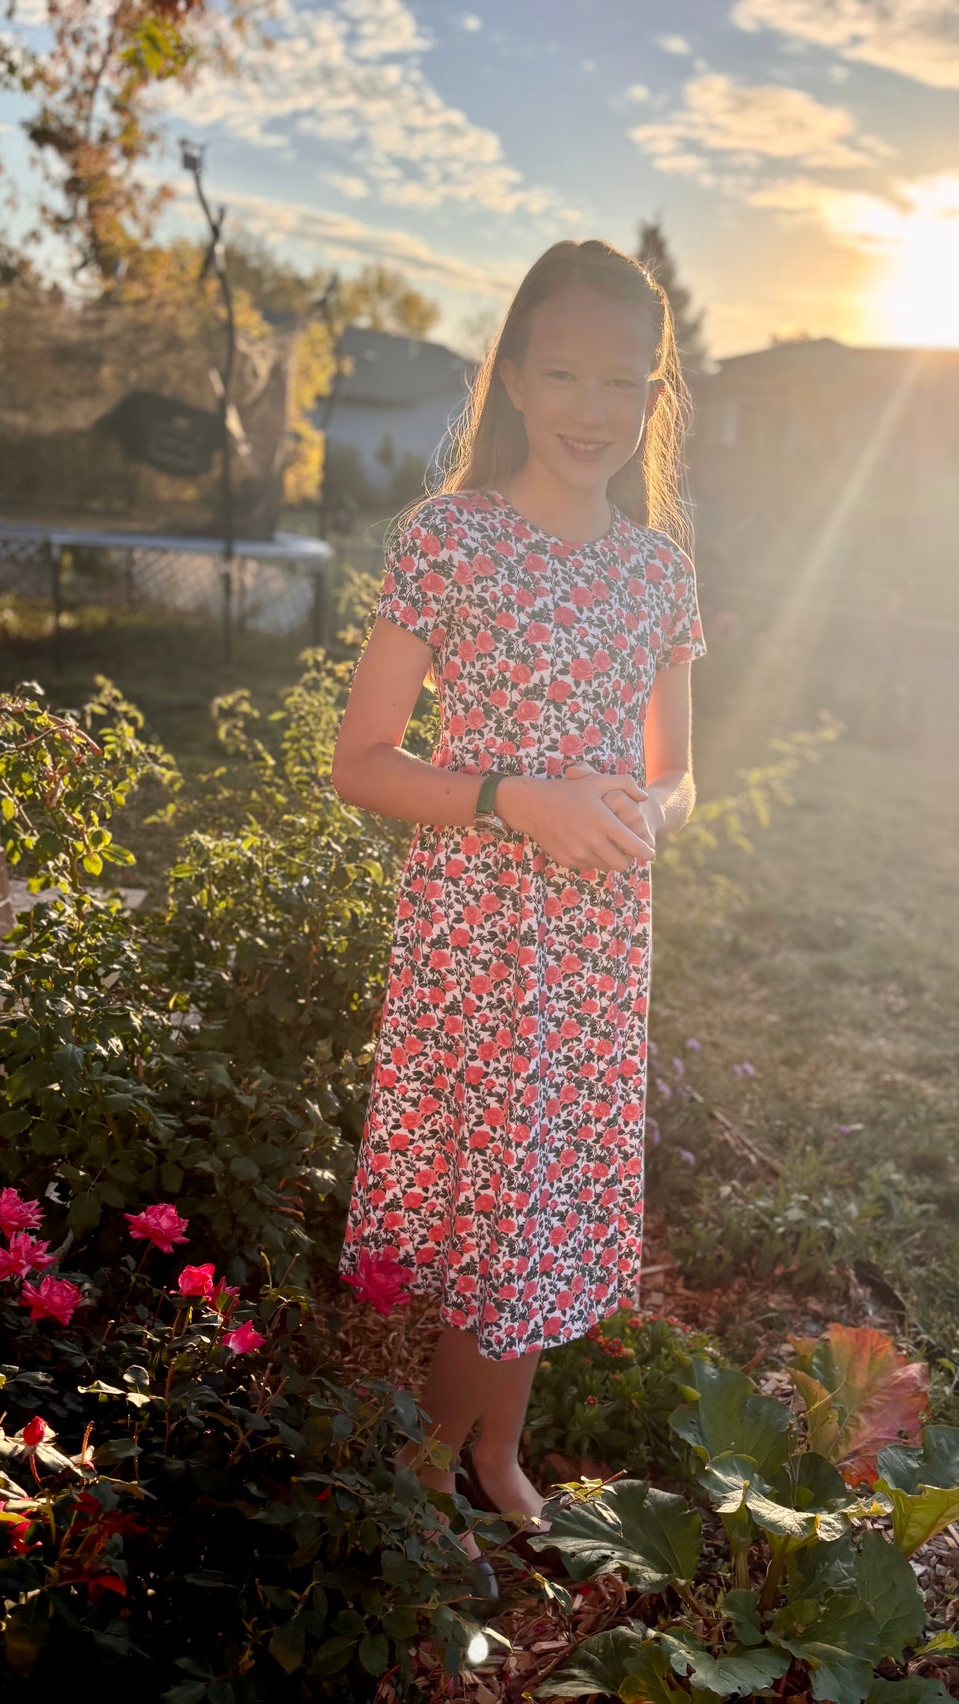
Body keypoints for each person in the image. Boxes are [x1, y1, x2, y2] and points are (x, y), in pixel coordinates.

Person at [330, 239, 706, 1567]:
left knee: (540, 1196)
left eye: (623, 379)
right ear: (511, 374)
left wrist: (636, 814)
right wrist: (513, 798)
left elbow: (678, 774)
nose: (592, 407)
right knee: (487, 1197)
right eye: (562, 370)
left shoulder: (657, 571)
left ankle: (495, 1449)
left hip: (599, 936)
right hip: (479, 928)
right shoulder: (452, 538)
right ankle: (418, 1496)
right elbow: (360, 759)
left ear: (656, 395)